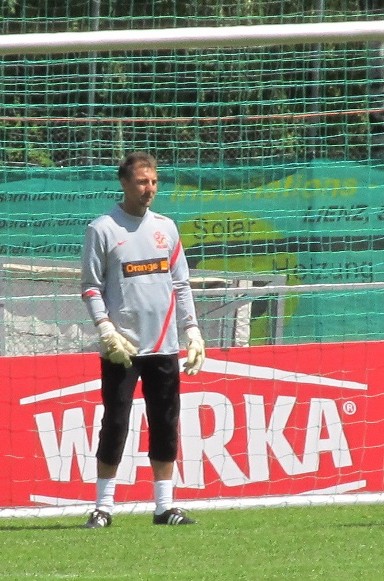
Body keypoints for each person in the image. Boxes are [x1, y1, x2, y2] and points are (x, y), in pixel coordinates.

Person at [80, 151, 205, 528]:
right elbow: (90, 287)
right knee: (115, 421)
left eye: (153, 181)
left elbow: (181, 284)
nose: (148, 189)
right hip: (123, 348)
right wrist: (105, 329)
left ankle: (164, 507)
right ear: (123, 183)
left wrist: (193, 330)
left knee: (165, 422)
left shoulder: (166, 228)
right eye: (141, 182)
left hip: (164, 345)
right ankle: (103, 507)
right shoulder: (102, 229)